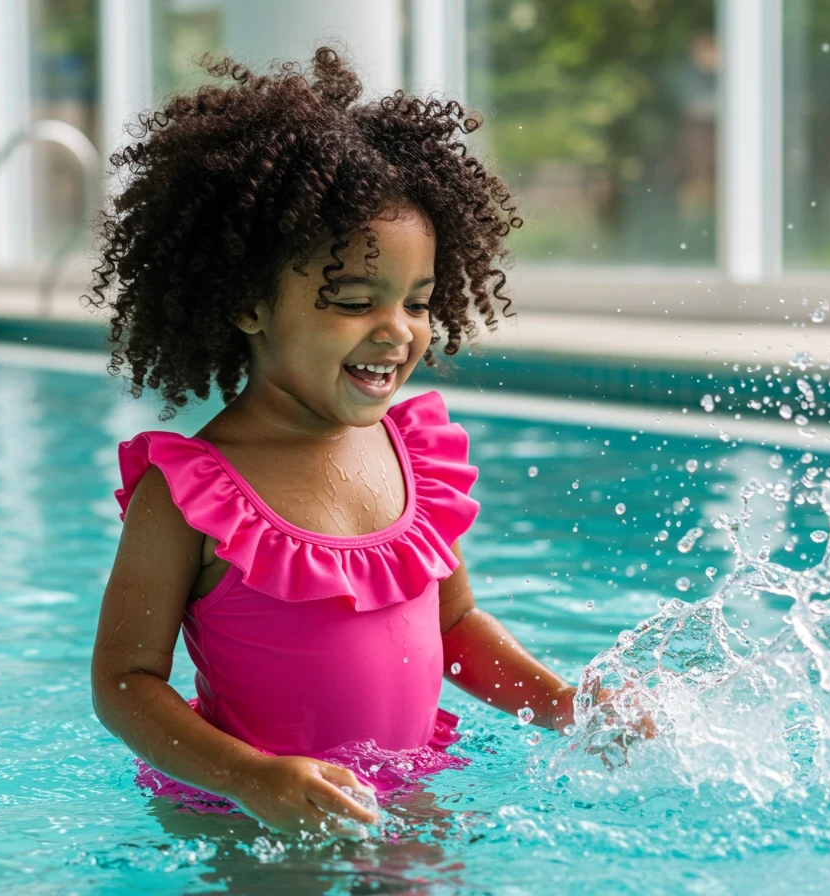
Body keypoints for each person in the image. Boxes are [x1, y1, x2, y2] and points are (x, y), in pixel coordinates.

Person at [86, 43, 655, 838]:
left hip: (412, 796)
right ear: (248, 303)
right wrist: (250, 777)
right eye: (355, 302)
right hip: (258, 820)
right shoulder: (191, 492)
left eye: (417, 302)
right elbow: (124, 681)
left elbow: (454, 627)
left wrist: (564, 704)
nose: (397, 331)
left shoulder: (413, 452)